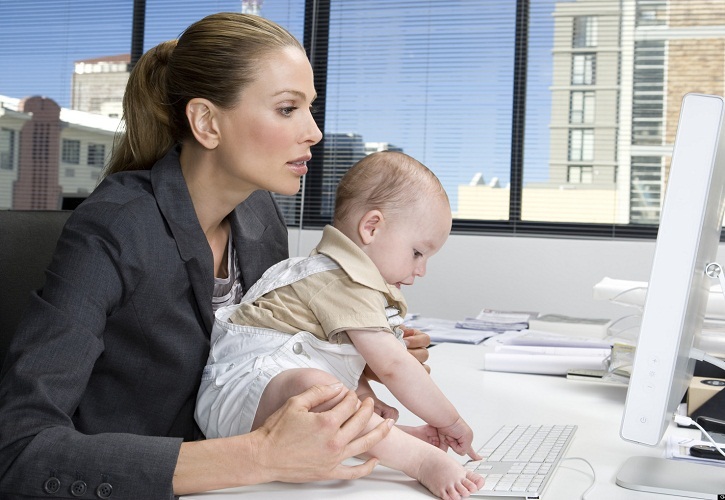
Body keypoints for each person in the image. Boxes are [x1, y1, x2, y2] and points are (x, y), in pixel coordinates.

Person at [0, 12, 433, 499]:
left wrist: (350, 352)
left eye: (310, 108)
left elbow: (253, 354)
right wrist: (261, 455)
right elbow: (18, 450)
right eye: (288, 108)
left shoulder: (258, 214)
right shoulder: (114, 229)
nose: (314, 132)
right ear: (207, 121)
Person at [196, 151, 485, 500]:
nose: (420, 270)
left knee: (332, 392)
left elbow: (322, 352)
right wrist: (450, 421)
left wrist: (366, 396)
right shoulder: (343, 281)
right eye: (417, 253)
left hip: (267, 400)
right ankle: (420, 461)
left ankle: (386, 437)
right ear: (372, 227)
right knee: (319, 388)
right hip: (237, 398)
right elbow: (394, 366)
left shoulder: (340, 277)